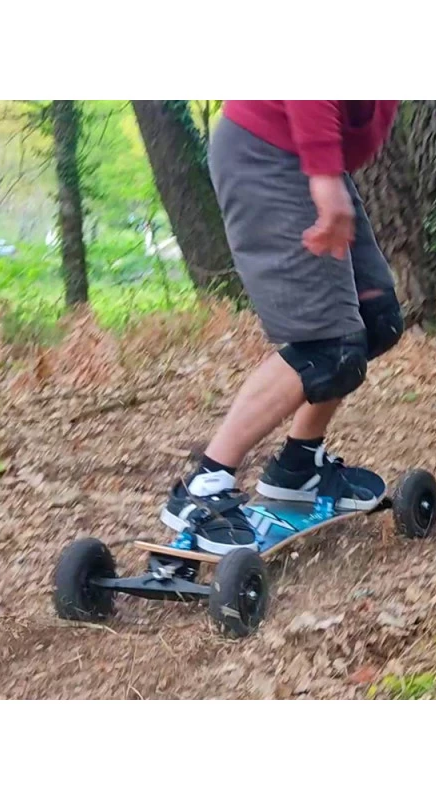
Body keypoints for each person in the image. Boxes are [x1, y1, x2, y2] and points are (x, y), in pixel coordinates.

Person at [161, 100, 403, 555]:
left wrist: (329, 165)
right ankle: (204, 486)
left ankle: (299, 467)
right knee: (329, 349)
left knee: (376, 319)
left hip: (307, 153)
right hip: (267, 151)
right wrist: (324, 173)